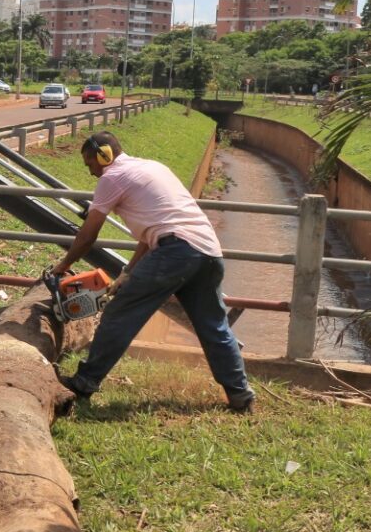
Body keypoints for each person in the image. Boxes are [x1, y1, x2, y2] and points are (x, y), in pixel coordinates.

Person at [52, 131, 255, 413]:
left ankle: (84, 383)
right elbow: (153, 233)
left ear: (104, 155)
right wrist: (128, 272)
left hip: (176, 252)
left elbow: (88, 235)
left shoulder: (112, 177)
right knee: (214, 326)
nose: (91, 172)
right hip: (208, 251)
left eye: (91, 163)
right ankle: (241, 396)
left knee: (119, 314)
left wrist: (62, 266)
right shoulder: (153, 167)